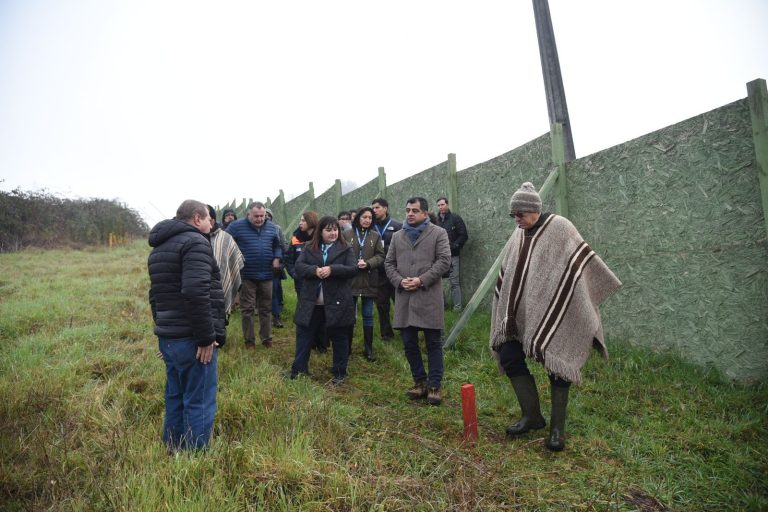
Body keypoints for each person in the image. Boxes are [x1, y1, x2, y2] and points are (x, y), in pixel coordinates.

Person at [489, 182, 621, 451]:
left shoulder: (560, 227)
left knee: (558, 362)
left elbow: (579, 267)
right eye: (513, 215)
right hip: (521, 313)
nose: (516, 219)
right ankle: (532, 416)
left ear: (534, 209)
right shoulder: (519, 233)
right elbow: (513, 272)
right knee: (510, 355)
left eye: (520, 214)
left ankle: (557, 430)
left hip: (560, 310)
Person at [148, 199, 226, 451]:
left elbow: (155, 296)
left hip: (170, 337)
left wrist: (164, 332)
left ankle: (173, 446)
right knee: (199, 398)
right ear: (196, 219)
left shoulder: (159, 248)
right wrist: (206, 337)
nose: (210, 224)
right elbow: (195, 292)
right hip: (192, 338)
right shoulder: (196, 243)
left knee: (176, 394)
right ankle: (195, 458)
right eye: (207, 219)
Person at [384, 197, 451, 405]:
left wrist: (422, 280)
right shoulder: (397, 236)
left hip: (428, 296)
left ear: (425, 213)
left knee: (433, 343)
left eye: (415, 210)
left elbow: (444, 261)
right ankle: (419, 381)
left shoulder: (438, 234)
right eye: (407, 210)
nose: (410, 214)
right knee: (409, 343)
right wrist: (399, 281)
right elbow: (389, 263)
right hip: (405, 298)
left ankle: (434, 385)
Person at [288, 216, 357, 384]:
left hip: (337, 302)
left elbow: (352, 269)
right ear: (320, 231)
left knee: (339, 337)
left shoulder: (346, 248)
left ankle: (339, 373)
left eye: (335, 229)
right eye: (328, 230)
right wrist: (314, 270)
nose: (333, 233)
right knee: (304, 336)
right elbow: (299, 266)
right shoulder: (309, 247)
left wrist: (332, 269)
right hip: (311, 301)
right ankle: (298, 370)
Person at [226, 201, 283, 349]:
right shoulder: (236, 226)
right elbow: (226, 242)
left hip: (267, 275)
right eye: (256, 216)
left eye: (262, 216)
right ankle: (249, 341)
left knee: (265, 308)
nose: (259, 219)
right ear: (248, 214)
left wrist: (277, 258)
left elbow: (278, 245)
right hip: (246, 275)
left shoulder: (272, 228)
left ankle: (266, 339)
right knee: (247, 309)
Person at [344, 206, 385, 362]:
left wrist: (368, 263)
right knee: (349, 316)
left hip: (369, 280)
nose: (367, 220)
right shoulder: (346, 234)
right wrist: (352, 264)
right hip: (350, 280)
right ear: (358, 218)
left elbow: (381, 256)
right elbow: (341, 253)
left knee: (368, 315)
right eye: (364, 217)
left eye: (369, 217)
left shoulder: (375, 236)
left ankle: (368, 350)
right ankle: (346, 348)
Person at [371, 198, 402, 341]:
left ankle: (404, 330)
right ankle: (386, 334)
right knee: (382, 305)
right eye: (373, 208)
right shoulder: (370, 228)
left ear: (386, 208)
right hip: (378, 273)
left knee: (400, 302)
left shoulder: (397, 226)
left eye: (377, 207)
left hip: (395, 272)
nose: (374, 210)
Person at [207, 205, 244, 319]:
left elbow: (236, 259)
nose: (230, 217)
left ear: (212, 220)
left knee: (219, 321)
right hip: (198, 291)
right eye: (227, 215)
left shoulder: (225, 237)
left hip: (220, 285)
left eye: (232, 215)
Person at [435, 197, 468, 312]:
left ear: (447, 205)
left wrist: (455, 246)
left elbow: (463, 235)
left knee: (454, 282)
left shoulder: (455, 218)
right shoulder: (436, 221)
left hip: (453, 255)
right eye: (438, 205)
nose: (440, 207)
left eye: (442, 204)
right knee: (438, 282)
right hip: (439, 257)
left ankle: (457, 308)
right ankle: (442, 306)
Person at [265, 207, 288, 328]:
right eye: (265, 215)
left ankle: (276, 317)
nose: (266, 217)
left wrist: (281, 263)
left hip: (274, 267)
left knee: (274, 292)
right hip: (259, 267)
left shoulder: (276, 229)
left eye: (269, 215)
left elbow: (283, 247)